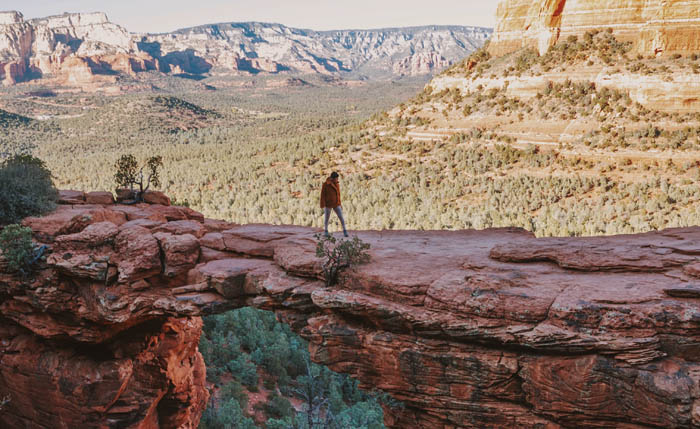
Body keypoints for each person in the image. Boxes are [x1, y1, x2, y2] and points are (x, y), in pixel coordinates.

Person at [320, 172, 348, 237]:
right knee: (327, 218)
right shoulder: (325, 184)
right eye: (336, 178)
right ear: (332, 178)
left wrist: (340, 204)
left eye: (337, 178)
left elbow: (338, 195)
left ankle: (345, 231)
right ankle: (326, 231)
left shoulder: (337, 184)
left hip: (336, 203)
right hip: (328, 204)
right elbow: (322, 195)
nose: (337, 179)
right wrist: (322, 204)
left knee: (341, 217)